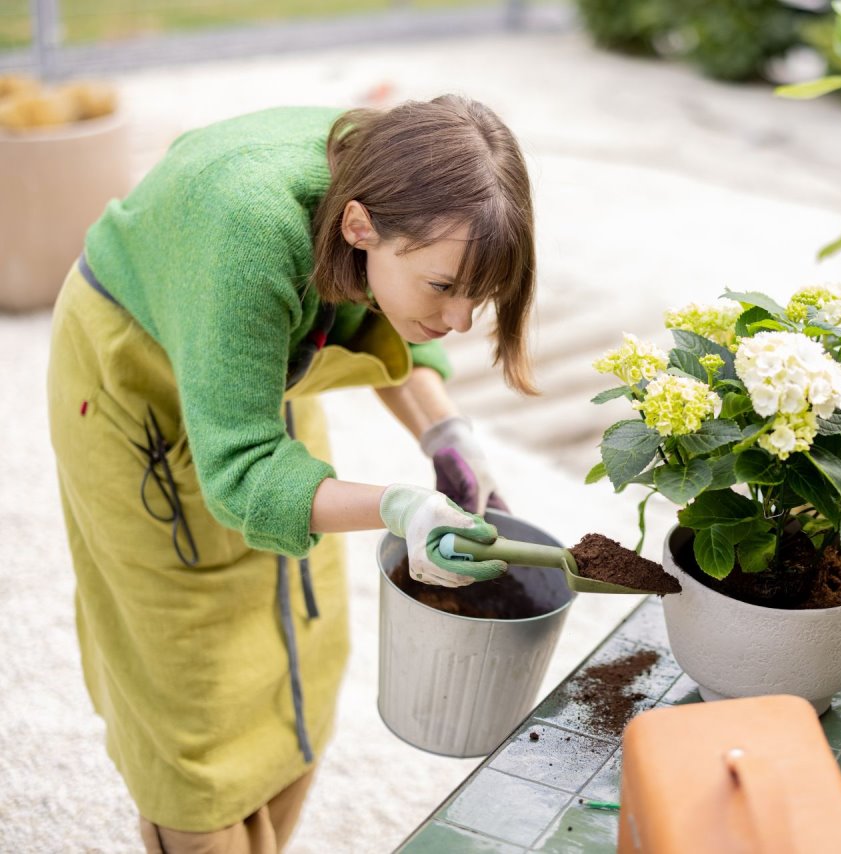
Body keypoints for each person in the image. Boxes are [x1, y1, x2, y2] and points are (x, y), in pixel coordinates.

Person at [46, 95, 536, 852]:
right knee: (187, 662)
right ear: (359, 227)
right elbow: (243, 474)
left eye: (482, 297)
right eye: (444, 287)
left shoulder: (400, 171)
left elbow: (386, 309)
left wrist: (445, 432)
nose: (459, 323)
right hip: (134, 378)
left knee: (302, 622)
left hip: (252, 345)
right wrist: (403, 506)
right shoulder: (249, 231)